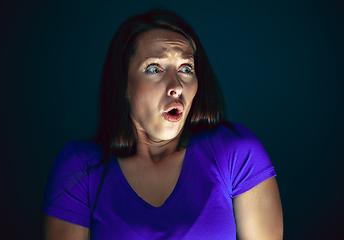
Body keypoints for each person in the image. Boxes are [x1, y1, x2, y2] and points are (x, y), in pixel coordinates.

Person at [41, 8, 283, 240]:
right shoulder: (81, 168)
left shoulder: (236, 153)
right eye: (154, 69)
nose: (176, 86)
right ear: (124, 84)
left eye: (186, 68)